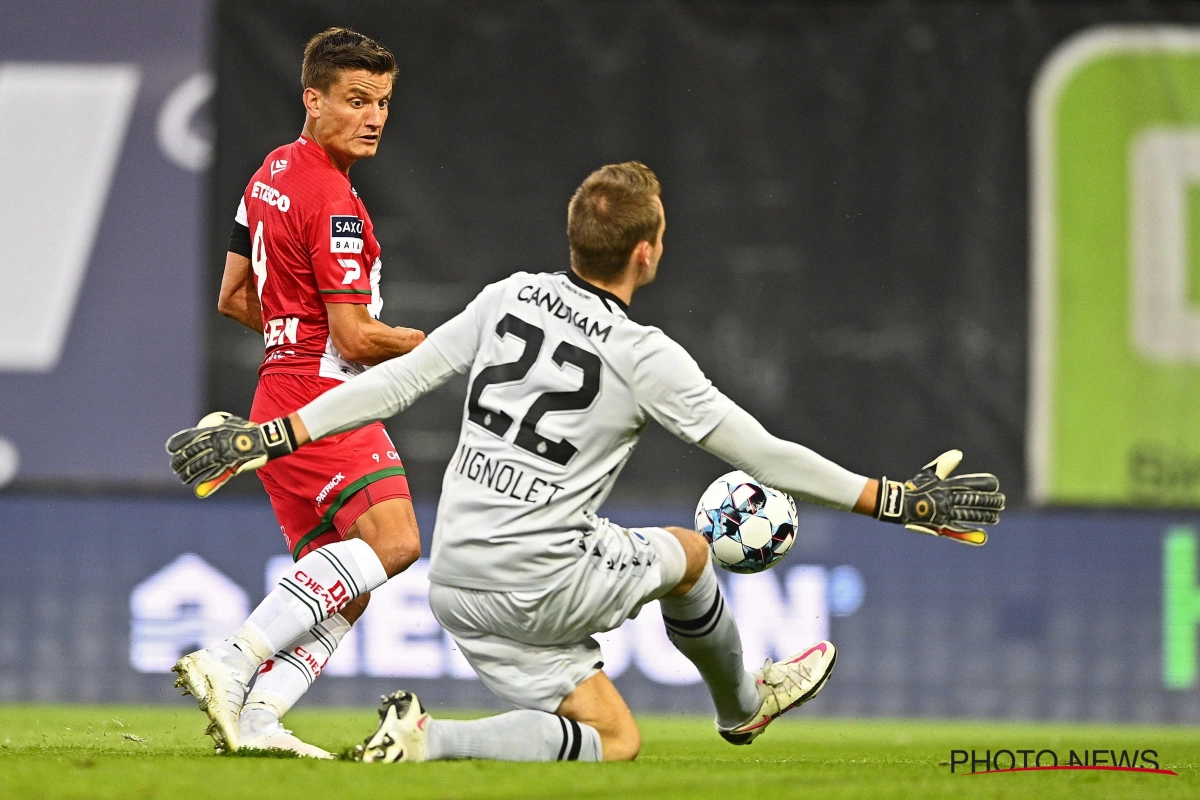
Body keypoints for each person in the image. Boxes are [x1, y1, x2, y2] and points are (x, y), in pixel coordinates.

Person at [168, 162, 1004, 763]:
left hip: (457, 585)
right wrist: (896, 499)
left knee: (616, 738)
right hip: (541, 580)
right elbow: (763, 452)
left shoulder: (506, 298)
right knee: (690, 553)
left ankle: (421, 740)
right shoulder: (647, 355)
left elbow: (396, 382)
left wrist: (272, 434)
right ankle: (745, 708)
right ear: (647, 254)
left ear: (574, 237)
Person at [170, 27, 425, 758]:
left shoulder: (269, 173)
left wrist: (291, 330)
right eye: (355, 100)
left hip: (275, 397)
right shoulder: (335, 200)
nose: (373, 116)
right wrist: (442, 348)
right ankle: (232, 662)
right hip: (322, 401)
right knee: (398, 542)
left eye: (381, 101)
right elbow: (353, 336)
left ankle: (258, 717)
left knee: (354, 579)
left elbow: (232, 295)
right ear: (312, 99)